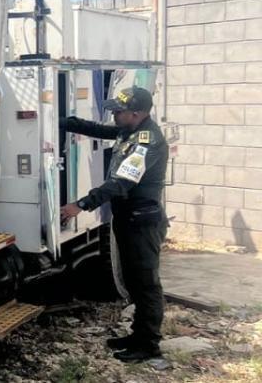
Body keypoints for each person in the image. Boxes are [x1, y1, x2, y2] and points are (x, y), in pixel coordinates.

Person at [60, 86, 168, 363]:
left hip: (142, 223)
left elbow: (120, 183)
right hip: (128, 220)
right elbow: (99, 129)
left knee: (146, 285)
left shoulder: (147, 142)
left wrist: (81, 205)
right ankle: (137, 336)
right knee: (132, 281)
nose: (115, 115)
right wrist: (63, 122)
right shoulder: (128, 130)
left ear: (137, 113)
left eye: (119, 112)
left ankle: (149, 346)